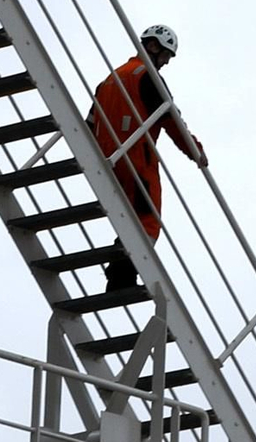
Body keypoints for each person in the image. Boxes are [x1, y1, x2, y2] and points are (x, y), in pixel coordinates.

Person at [89, 24, 208, 293]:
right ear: (153, 46)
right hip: (136, 159)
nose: (166, 62)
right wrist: (196, 152)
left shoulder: (110, 79)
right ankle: (121, 279)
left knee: (127, 216)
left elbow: (89, 122)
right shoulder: (148, 76)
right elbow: (172, 121)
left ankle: (120, 277)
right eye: (166, 54)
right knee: (147, 219)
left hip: (105, 160)